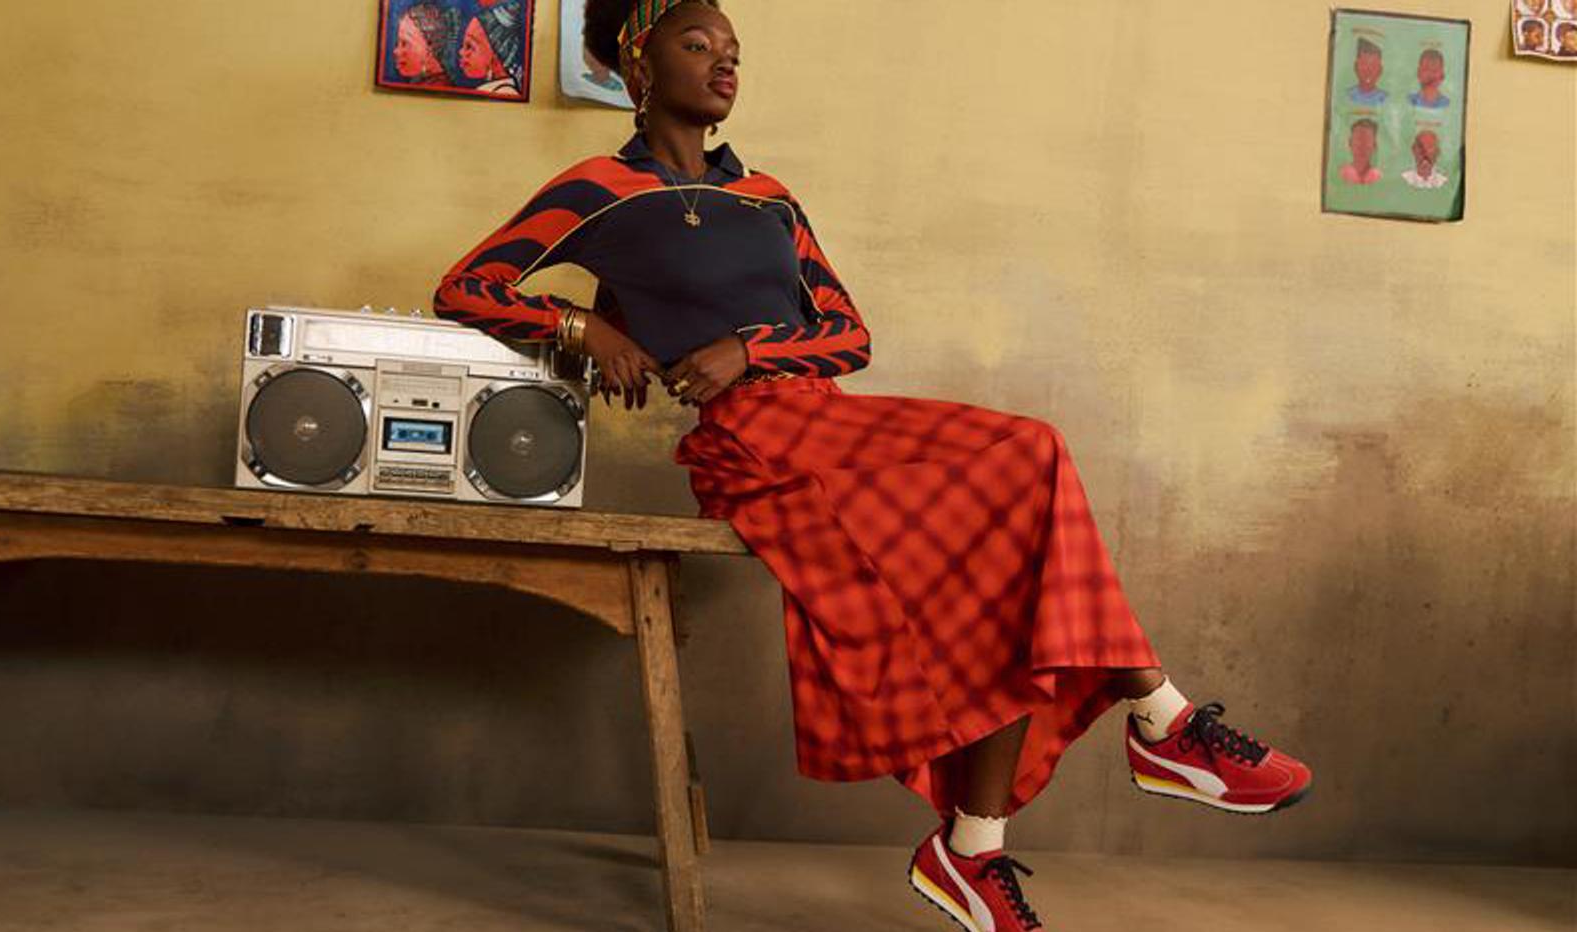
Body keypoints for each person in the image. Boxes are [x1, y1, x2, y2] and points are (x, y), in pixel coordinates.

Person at [432, 2, 1314, 929]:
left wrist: (749, 346)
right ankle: (1160, 724)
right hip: (750, 444)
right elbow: (467, 285)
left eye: (735, 53)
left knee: (1018, 533)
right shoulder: (598, 188)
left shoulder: (771, 197)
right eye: (699, 47)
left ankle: (978, 845)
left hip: (827, 421)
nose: (726, 65)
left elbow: (846, 335)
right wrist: (587, 324)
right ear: (636, 60)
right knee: (1029, 454)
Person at [460, 1, 527, 96]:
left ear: (495, 52)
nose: (461, 52)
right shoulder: (491, 90)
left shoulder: (505, 93)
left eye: (469, 46)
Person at [393, 2, 459, 86]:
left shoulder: (438, 86)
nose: (396, 51)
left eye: (404, 44)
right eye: (397, 43)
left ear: (430, 48)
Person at [1340, 119, 1382, 185]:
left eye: (1367, 140)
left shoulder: (1378, 176)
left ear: (1374, 146)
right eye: (1358, 139)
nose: (1362, 146)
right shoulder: (1343, 173)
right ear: (1350, 143)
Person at [1348, 38, 1387, 106]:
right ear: (1356, 67)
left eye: (1373, 66)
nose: (1368, 70)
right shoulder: (1349, 95)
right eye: (1364, 64)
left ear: (1380, 70)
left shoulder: (1384, 98)